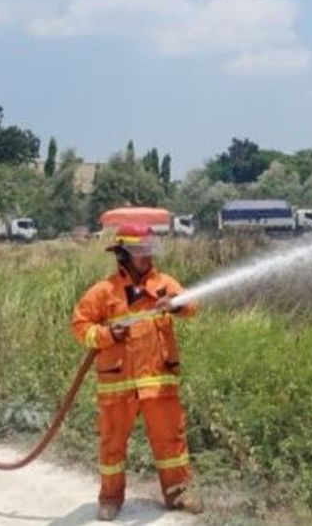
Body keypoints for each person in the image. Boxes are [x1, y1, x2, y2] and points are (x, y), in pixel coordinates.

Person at [71, 223, 204, 521]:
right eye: (139, 252)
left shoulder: (165, 284)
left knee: (171, 441)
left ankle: (178, 494)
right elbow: (80, 327)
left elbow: (193, 306)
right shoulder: (103, 292)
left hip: (158, 382)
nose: (146, 257)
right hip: (117, 384)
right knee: (112, 443)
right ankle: (110, 498)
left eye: (148, 251)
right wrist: (107, 335)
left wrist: (175, 305)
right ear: (123, 255)